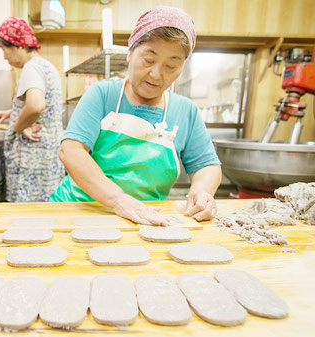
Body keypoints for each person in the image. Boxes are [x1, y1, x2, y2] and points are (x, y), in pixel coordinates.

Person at [50, 6, 222, 225]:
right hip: (79, 209)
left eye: (171, 66)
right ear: (130, 53)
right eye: (148, 60)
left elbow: (206, 165)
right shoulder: (103, 95)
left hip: (145, 216)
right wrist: (118, 200)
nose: (156, 74)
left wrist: (201, 191)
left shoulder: (185, 111)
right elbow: (71, 151)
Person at [0, 17, 65, 202]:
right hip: (47, 153)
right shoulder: (46, 66)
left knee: (30, 212)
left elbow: (36, 105)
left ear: (18, 45)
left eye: (4, 50)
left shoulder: (31, 68)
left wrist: (18, 126)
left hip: (34, 156)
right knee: (45, 206)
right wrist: (13, 112)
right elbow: (43, 104)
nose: (5, 57)